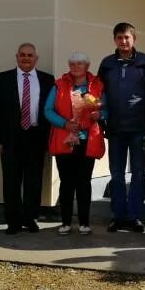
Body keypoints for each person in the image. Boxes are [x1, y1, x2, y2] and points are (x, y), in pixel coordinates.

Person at [96, 23, 145, 233]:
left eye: (127, 37)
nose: (123, 41)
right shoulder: (107, 64)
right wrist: (101, 119)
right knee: (116, 174)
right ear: (114, 39)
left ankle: (134, 217)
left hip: (140, 129)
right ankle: (118, 216)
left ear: (134, 39)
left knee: (139, 173)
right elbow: (98, 94)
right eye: (119, 38)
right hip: (115, 129)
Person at [0, 43, 55, 235]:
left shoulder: (47, 80)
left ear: (36, 58)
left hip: (36, 136)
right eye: (23, 55)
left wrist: (51, 140)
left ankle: (30, 218)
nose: (26, 58)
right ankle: (13, 221)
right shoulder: (2, 79)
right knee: (11, 180)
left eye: (30, 55)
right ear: (17, 57)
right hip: (10, 138)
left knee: (34, 181)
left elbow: (52, 110)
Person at [45, 52, 105, 235]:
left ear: (87, 66)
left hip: (88, 140)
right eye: (72, 63)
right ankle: (65, 222)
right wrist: (65, 124)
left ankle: (84, 223)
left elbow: (106, 108)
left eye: (80, 63)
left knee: (84, 182)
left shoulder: (98, 85)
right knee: (66, 182)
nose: (76, 67)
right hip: (65, 139)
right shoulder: (59, 84)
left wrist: (100, 114)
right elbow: (47, 110)